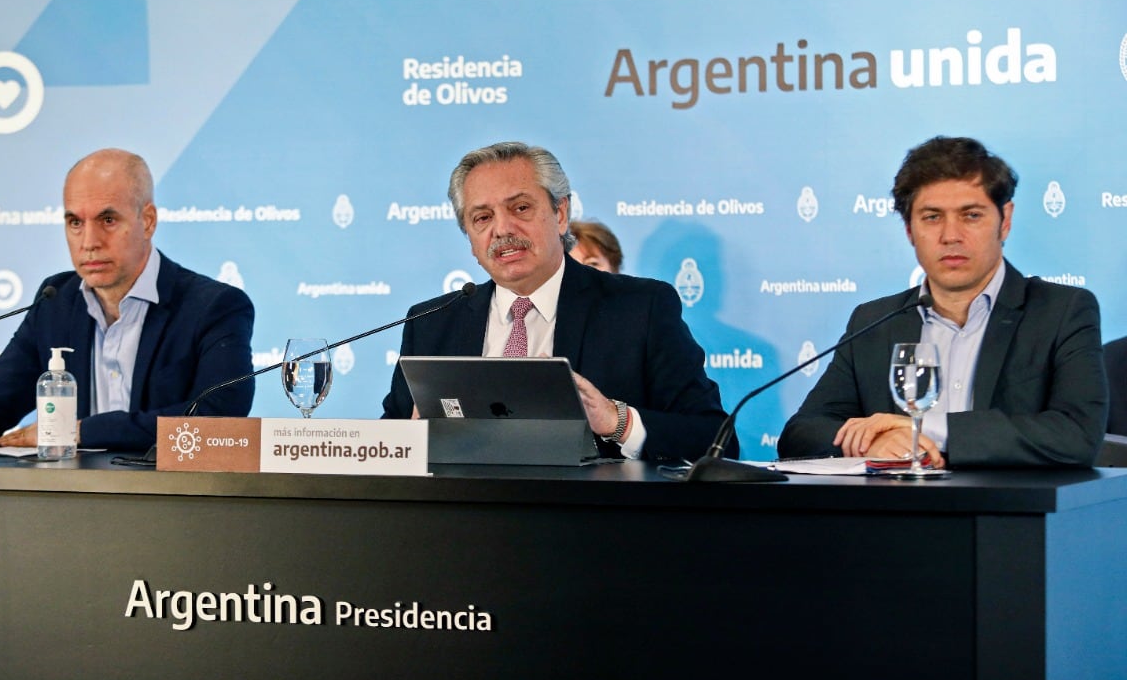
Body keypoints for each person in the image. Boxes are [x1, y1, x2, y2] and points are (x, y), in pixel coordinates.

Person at [0, 149, 255, 454]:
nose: (89, 242)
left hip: (171, 509)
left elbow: (218, 419)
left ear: (147, 220)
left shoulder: (214, 306)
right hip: (69, 509)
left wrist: (78, 430)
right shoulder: (56, 300)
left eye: (108, 220)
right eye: (74, 222)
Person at [380, 141, 730, 462]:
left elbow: (715, 439)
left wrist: (615, 420)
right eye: (483, 217)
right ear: (470, 238)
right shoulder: (430, 324)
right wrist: (408, 441)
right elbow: (385, 447)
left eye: (520, 208)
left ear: (561, 214)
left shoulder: (641, 308)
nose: (502, 229)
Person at [779, 136, 1106, 468]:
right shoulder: (875, 321)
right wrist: (875, 441)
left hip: (1006, 514)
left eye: (971, 215)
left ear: (1004, 221)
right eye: (932, 217)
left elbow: (1076, 434)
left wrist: (924, 429)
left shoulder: (1060, 311)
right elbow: (803, 432)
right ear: (909, 229)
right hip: (895, 514)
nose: (951, 235)